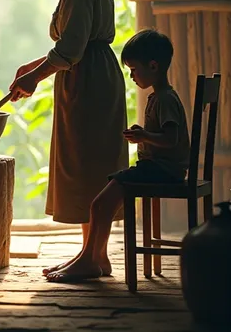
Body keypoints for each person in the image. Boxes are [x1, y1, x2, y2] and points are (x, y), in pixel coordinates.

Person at [9, 0, 129, 277]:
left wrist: (34, 77)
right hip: (85, 78)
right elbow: (67, 46)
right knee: (83, 167)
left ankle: (94, 257)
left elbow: (72, 50)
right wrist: (30, 67)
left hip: (90, 82)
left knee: (90, 166)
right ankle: (92, 254)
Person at [45, 28, 190, 282]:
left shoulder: (165, 100)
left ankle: (91, 260)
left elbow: (171, 139)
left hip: (161, 170)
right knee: (101, 203)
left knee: (100, 204)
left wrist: (144, 136)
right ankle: (93, 257)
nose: (132, 76)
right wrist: (144, 134)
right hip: (159, 168)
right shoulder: (161, 96)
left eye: (134, 70)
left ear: (153, 66)